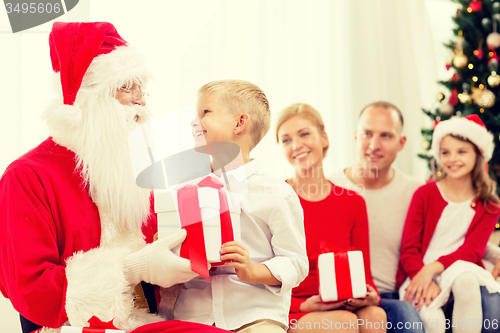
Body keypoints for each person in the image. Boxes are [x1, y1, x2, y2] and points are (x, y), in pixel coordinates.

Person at [0, 22, 230, 333]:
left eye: (141, 88)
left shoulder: (132, 171)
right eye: (128, 87)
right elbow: (31, 292)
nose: (142, 101)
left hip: (150, 318)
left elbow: (157, 259)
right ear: (90, 96)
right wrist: (133, 268)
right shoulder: (27, 176)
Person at [330, 101, 500, 333]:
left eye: (386, 136)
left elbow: (463, 239)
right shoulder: (330, 187)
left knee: (482, 298)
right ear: (355, 136)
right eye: (367, 133)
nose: (374, 145)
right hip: (355, 291)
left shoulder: (414, 189)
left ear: (402, 143)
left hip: (397, 289)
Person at [172, 80, 309, 333]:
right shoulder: (184, 189)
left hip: (254, 316)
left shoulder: (277, 193)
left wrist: (252, 271)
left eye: (205, 112)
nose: (194, 122)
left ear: (239, 123)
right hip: (193, 316)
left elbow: (296, 262)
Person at [275, 103, 387, 333]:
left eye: (304, 134)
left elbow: (364, 273)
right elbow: (262, 280)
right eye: (286, 140)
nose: (296, 145)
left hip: (343, 302)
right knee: (343, 323)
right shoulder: (277, 200)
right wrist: (303, 304)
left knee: (375, 316)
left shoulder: (353, 202)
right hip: (293, 308)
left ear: (324, 138)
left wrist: (370, 296)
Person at [397, 115, 500, 333]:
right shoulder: (425, 194)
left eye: (462, 151)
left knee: (466, 280)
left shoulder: (489, 204)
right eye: (445, 152)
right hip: (420, 272)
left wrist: (434, 267)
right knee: (433, 322)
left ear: (478, 155)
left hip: (459, 268)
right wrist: (423, 275)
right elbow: (408, 250)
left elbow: (473, 251)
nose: (452, 159)